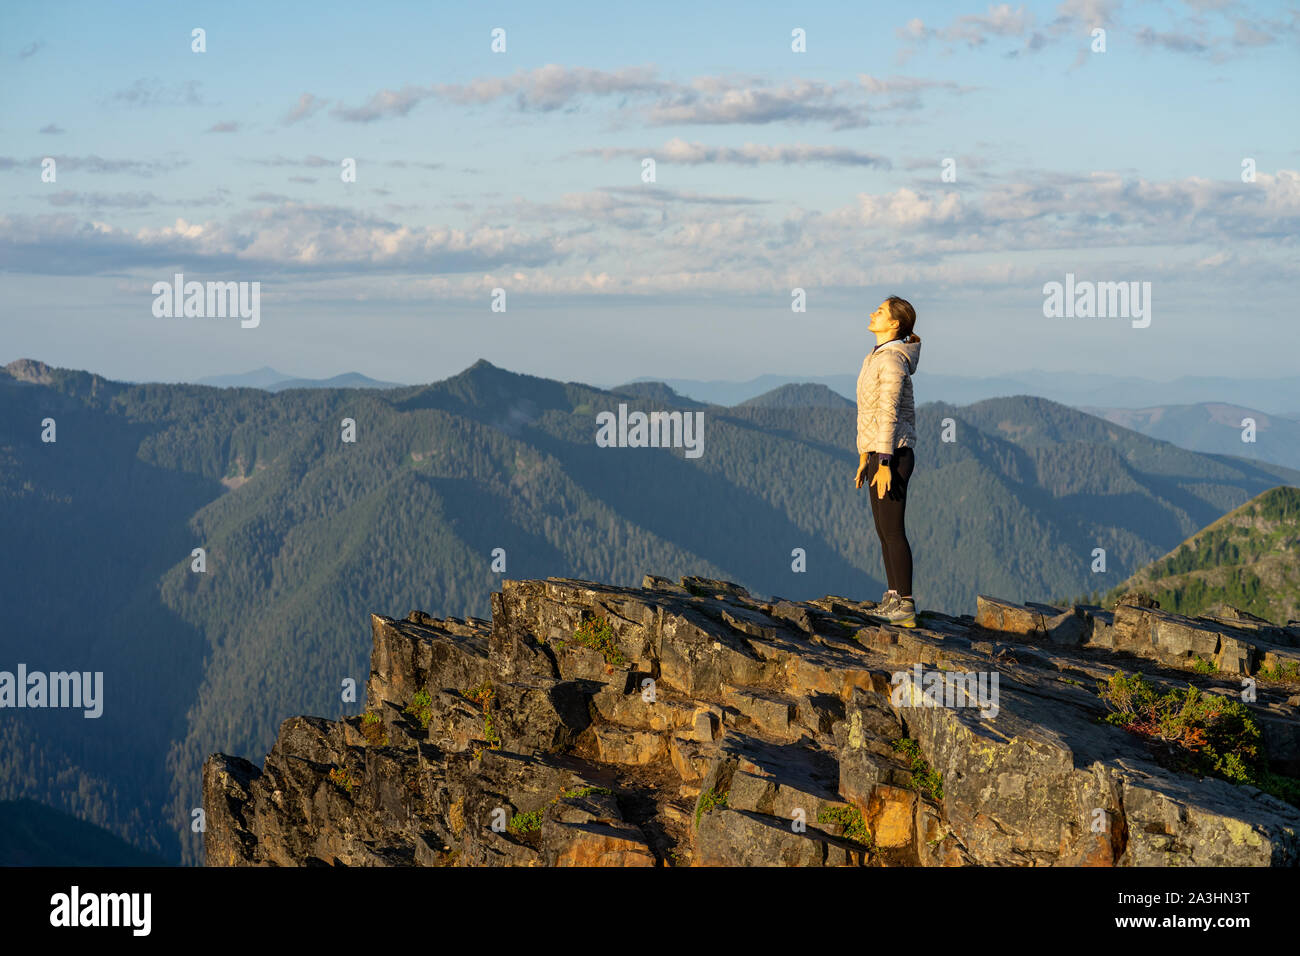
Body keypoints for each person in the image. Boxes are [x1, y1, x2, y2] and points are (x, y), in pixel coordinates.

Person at [853, 296, 921, 627]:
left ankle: (905, 603)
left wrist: (883, 461)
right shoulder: (876, 357)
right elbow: (868, 413)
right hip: (881, 454)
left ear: (894, 324)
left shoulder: (892, 361)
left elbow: (889, 413)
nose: (872, 313)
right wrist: (865, 456)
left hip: (894, 455)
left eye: (879, 311)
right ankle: (893, 597)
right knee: (883, 531)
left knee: (893, 531)